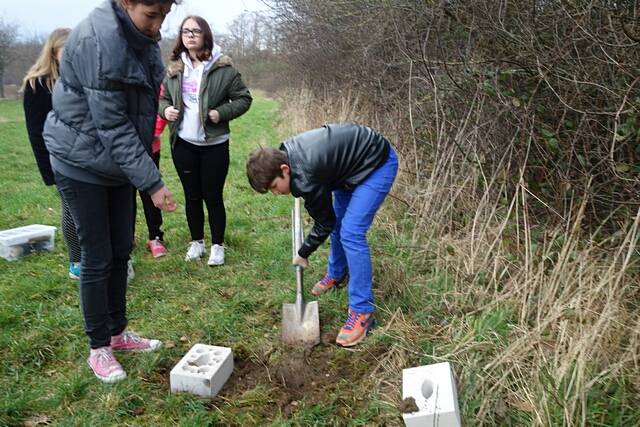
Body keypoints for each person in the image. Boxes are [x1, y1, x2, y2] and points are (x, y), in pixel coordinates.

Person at [43, 0, 179, 383]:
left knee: (122, 249)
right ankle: (98, 347)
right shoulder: (96, 42)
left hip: (115, 161)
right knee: (97, 254)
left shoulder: (139, 35)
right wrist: (151, 181)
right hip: (81, 160)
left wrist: (139, 169)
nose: (157, 25)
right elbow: (113, 125)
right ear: (126, 2)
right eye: (151, 15)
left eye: (164, 15)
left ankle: (118, 334)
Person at [246, 124, 399, 347]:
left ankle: (362, 311)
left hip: (376, 163)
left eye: (274, 186)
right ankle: (336, 274)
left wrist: (303, 253)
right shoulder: (290, 157)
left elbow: (323, 223)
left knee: (351, 232)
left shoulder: (306, 173)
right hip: (349, 169)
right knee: (340, 225)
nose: (276, 193)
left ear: (284, 169)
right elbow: (329, 220)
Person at [159, 15, 252, 266]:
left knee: (213, 196)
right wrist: (165, 111)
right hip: (183, 144)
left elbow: (244, 99)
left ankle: (217, 246)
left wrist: (220, 113)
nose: (189, 35)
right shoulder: (174, 68)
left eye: (195, 31)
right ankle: (197, 242)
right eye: (185, 31)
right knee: (191, 196)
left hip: (214, 145)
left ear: (205, 35)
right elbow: (163, 99)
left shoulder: (224, 68)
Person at [22, 28, 82, 280]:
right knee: (71, 210)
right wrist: (48, 171)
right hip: (58, 158)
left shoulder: (81, 77)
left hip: (85, 156)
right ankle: (77, 261)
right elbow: (35, 132)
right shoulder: (37, 84)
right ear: (54, 51)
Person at [132, 85, 169, 259]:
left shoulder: (151, 76)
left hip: (150, 146)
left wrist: (153, 131)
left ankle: (155, 236)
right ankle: (126, 237)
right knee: (125, 194)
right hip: (124, 148)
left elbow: (162, 103)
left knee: (150, 192)